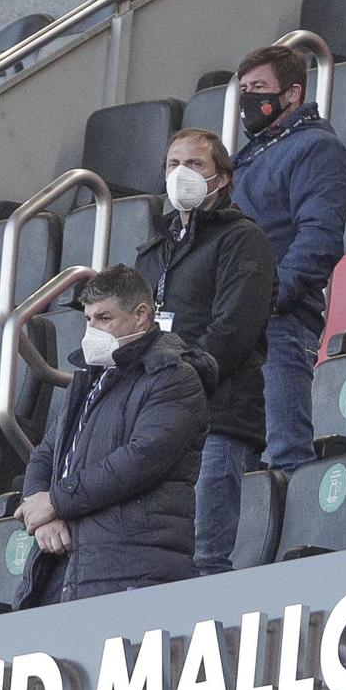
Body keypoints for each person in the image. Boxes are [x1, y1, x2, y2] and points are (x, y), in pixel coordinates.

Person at [16, 265, 215, 607]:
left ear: (141, 316)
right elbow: (45, 455)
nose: (92, 329)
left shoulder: (174, 377)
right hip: (67, 568)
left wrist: (55, 501)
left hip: (134, 571)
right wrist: (42, 517)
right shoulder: (90, 380)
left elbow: (140, 461)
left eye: (104, 318)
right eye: (88, 319)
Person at [134, 128, 277, 576]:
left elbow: (233, 331)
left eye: (195, 164)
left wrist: (175, 379)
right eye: (173, 164)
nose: (182, 173)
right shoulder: (152, 252)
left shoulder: (243, 240)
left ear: (223, 178)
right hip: (159, 423)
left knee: (203, 557)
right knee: (157, 563)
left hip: (218, 418)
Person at [230, 43, 346, 472]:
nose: (249, 98)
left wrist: (270, 296)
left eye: (259, 87)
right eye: (244, 88)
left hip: (278, 324)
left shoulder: (317, 149)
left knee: (285, 455)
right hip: (232, 327)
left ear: (292, 94)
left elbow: (319, 237)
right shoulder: (247, 158)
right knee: (230, 457)